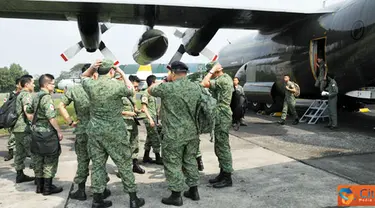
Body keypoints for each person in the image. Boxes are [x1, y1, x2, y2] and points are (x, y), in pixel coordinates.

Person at [81, 59, 144, 208]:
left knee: (97, 165)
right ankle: (133, 199)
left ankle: (97, 200)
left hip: (95, 130)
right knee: (124, 164)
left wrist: (91, 68)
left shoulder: (91, 84)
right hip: (115, 130)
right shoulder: (117, 85)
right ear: (112, 71)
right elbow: (131, 89)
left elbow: (83, 77)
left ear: (98, 71)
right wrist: (121, 72)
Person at [149, 61, 202, 206]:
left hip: (174, 134)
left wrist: (166, 79)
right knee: (190, 161)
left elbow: (150, 89)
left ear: (172, 73)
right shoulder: (195, 87)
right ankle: (193, 190)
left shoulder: (167, 87)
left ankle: (176, 195)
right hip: (192, 132)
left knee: (173, 163)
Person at [58, 63, 110, 201]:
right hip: (99, 129)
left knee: (82, 160)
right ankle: (101, 189)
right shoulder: (101, 88)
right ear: (94, 74)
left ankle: (81, 190)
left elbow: (61, 105)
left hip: (82, 129)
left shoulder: (74, 89)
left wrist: (70, 121)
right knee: (99, 162)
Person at [201, 61, 234, 189]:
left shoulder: (223, 80)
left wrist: (211, 71)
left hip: (222, 114)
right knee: (219, 146)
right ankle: (223, 173)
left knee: (223, 146)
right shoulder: (222, 79)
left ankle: (227, 177)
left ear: (215, 71)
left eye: (211, 72)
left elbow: (204, 83)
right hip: (220, 114)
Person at [32, 74, 64, 195]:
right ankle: (47, 188)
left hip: (36, 132)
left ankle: (39, 186)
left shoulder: (36, 96)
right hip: (47, 133)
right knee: (50, 159)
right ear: (46, 84)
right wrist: (59, 131)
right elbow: (51, 117)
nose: (54, 85)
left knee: (38, 159)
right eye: (52, 83)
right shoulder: (47, 98)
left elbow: (29, 111)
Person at [115, 73, 145, 174]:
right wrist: (127, 113)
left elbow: (133, 107)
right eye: (135, 86)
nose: (136, 89)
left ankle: (135, 165)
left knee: (135, 144)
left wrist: (137, 110)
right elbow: (113, 110)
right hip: (123, 124)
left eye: (137, 87)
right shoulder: (119, 93)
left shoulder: (131, 95)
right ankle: (122, 170)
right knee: (124, 148)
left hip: (132, 123)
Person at [12, 75, 35, 183]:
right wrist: (35, 123)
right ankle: (40, 179)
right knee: (33, 152)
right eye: (32, 82)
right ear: (27, 84)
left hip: (17, 129)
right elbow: (28, 112)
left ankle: (19, 174)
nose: (34, 85)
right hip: (24, 128)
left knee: (19, 153)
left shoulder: (19, 94)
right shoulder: (26, 95)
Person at [141, 75, 163, 165]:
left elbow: (158, 106)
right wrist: (150, 119)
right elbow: (143, 106)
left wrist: (157, 118)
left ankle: (146, 156)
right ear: (152, 83)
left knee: (150, 137)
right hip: (149, 117)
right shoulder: (145, 93)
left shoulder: (154, 93)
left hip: (154, 117)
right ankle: (158, 157)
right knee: (155, 138)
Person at [4, 77, 22, 161]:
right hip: (13, 118)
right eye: (20, 83)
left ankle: (27, 153)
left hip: (22, 119)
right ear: (17, 85)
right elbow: (6, 106)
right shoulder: (11, 94)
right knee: (12, 137)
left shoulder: (25, 94)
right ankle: (10, 153)